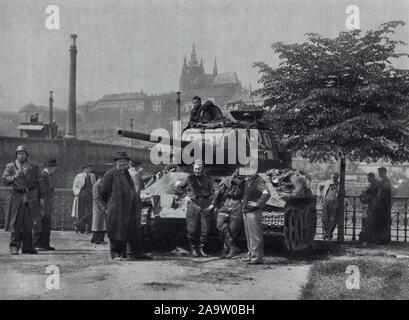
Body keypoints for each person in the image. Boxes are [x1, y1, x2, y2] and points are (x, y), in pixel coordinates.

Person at [99, 151, 151, 260]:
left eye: (124, 161)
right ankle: (115, 254)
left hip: (129, 208)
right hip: (117, 208)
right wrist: (110, 205)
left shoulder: (127, 174)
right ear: (116, 162)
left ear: (128, 163)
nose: (122, 163)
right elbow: (103, 192)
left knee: (129, 230)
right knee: (116, 231)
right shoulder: (110, 174)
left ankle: (134, 253)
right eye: (120, 161)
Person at [2, 145, 45, 255]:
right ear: (16, 155)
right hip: (17, 198)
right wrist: (14, 177)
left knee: (29, 224)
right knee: (15, 223)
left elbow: (40, 183)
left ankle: (27, 247)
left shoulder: (34, 166)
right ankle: (14, 246)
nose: (21, 156)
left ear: (27, 155)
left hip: (30, 197)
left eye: (23, 154)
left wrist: (41, 198)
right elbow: (4, 180)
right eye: (19, 154)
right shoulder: (10, 166)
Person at [175, 160, 214, 257]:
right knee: (192, 229)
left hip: (205, 204)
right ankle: (194, 249)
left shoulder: (208, 179)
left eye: (199, 169)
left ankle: (201, 249)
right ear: (193, 169)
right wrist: (184, 196)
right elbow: (177, 187)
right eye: (195, 169)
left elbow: (215, 191)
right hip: (193, 204)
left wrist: (212, 203)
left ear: (202, 169)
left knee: (205, 229)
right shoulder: (189, 178)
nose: (197, 171)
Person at [211, 168, 245, 259]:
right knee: (220, 224)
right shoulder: (227, 180)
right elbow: (218, 192)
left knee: (233, 229)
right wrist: (213, 204)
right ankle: (233, 247)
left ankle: (226, 249)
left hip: (238, 204)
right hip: (226, 203)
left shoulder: (247, 182)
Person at [242, 171, 271, 264]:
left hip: (254, 212)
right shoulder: (248, 181)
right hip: (247, 211)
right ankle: (250, 255)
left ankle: (256, 258)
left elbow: (266, 192)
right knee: (249, 235)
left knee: (255, 235)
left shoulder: (258, 181)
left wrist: (258, 203)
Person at [33, 157, 58, 251]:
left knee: (46, 224)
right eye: (55, 167)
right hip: (42, 204)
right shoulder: (43, 175)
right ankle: (37, 244)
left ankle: (45, 244)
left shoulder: (47, 175)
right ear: (51, 167)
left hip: (47, 204)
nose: (55, 169)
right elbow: (39, 191)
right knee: (40, 225)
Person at [71, 164, 96, 233]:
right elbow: (74, 186)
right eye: (87, 168)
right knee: (81, 211)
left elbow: (94, 185)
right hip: (82, 194)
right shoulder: (79, 176)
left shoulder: (92, 176)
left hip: (90, 195)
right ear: (84, 169)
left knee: (90, 212)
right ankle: (80, 229)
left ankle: (87, 228)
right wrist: (77, 193)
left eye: (90, 168)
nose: (89, 170)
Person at [372, 167, 392, 244]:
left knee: (384, 222)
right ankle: (382, 239)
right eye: (379, 172)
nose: (380, 174)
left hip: (384, 205)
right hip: (382, 204)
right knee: (381, 222)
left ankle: (384, 240)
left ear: (384, 172)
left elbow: (383, 194)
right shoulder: (383, 181)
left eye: (381, 172)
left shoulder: (386, 181)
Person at [318, 172, 340, 240]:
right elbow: (319, 184)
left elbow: (343, 192)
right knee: (324, 218)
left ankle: (327, 234)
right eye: (332, 177)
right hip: (326, 201)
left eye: (335, 177)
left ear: (337, 178)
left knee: (333, 219)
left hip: (335, 203)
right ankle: (328, 234)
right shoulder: (327, 182)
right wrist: (319, 193)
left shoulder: (340, 185)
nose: (333, 179)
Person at [359, 172, 378, 243]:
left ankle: (368, 237)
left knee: (369, 221)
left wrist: (363, 195)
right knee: (367, 221)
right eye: (367, 178)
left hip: (371, 205)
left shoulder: (375, 185)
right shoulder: (371, 185)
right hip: (368, 205)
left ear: (372, 177)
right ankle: (366, 236)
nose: (368, 179)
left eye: (369, 178)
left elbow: (370, 194)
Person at [90, 175, 107, 244]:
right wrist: (103, 208)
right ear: (100, 177)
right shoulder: (97, 185)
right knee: (99, 224)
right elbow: (97, 198)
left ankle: (94, 238)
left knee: (99, 224)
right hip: (99, 207)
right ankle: (99, 240)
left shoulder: (100, 184)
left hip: (100, 206)